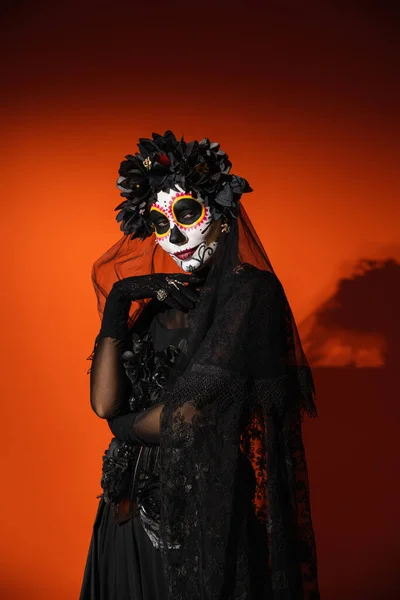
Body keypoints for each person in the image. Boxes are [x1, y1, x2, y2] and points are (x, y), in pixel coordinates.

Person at [79, 130, 320, 600]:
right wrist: (124, 297)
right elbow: (103, 400)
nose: (174, 236)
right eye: (159, 222)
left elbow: (186, 418)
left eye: (187, 214)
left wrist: (119, 427)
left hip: (199, 504)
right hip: (123, 506)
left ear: (223, 218)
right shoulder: (154, 299)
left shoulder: (250, 293)